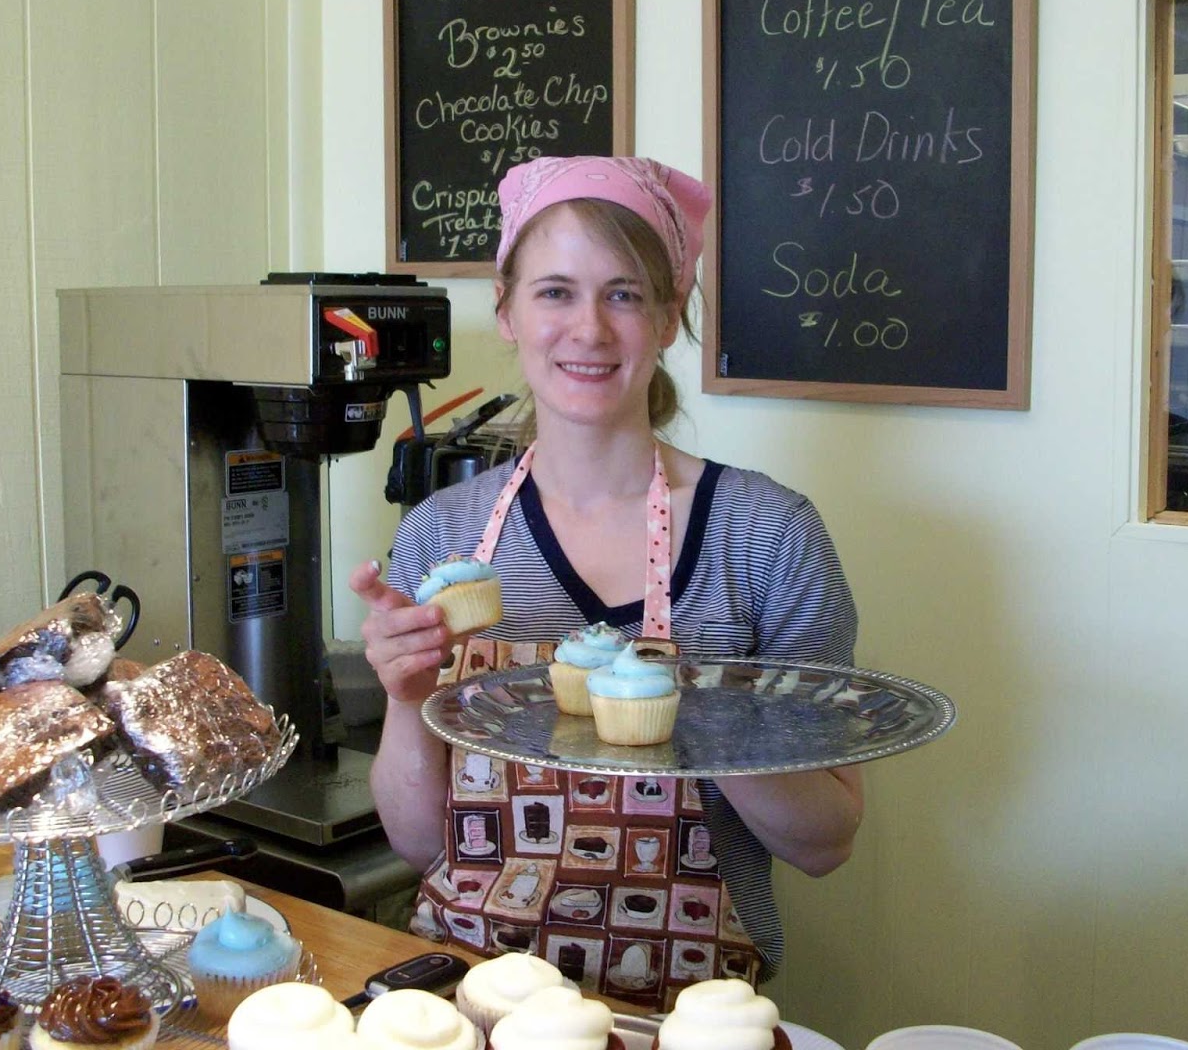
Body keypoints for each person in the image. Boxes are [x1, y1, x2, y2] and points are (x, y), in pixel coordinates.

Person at [350, 156, 861, 1002]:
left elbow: (826, 842)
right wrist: (407, 695)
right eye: (555, 291)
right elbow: (416, 848)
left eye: (624, 293)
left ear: (668, 318)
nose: (588, 329)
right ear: (507, 311)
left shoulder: (768, 537)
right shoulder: (442, 536)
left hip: (685, 1011)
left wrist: (688, 707)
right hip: (473, 996)